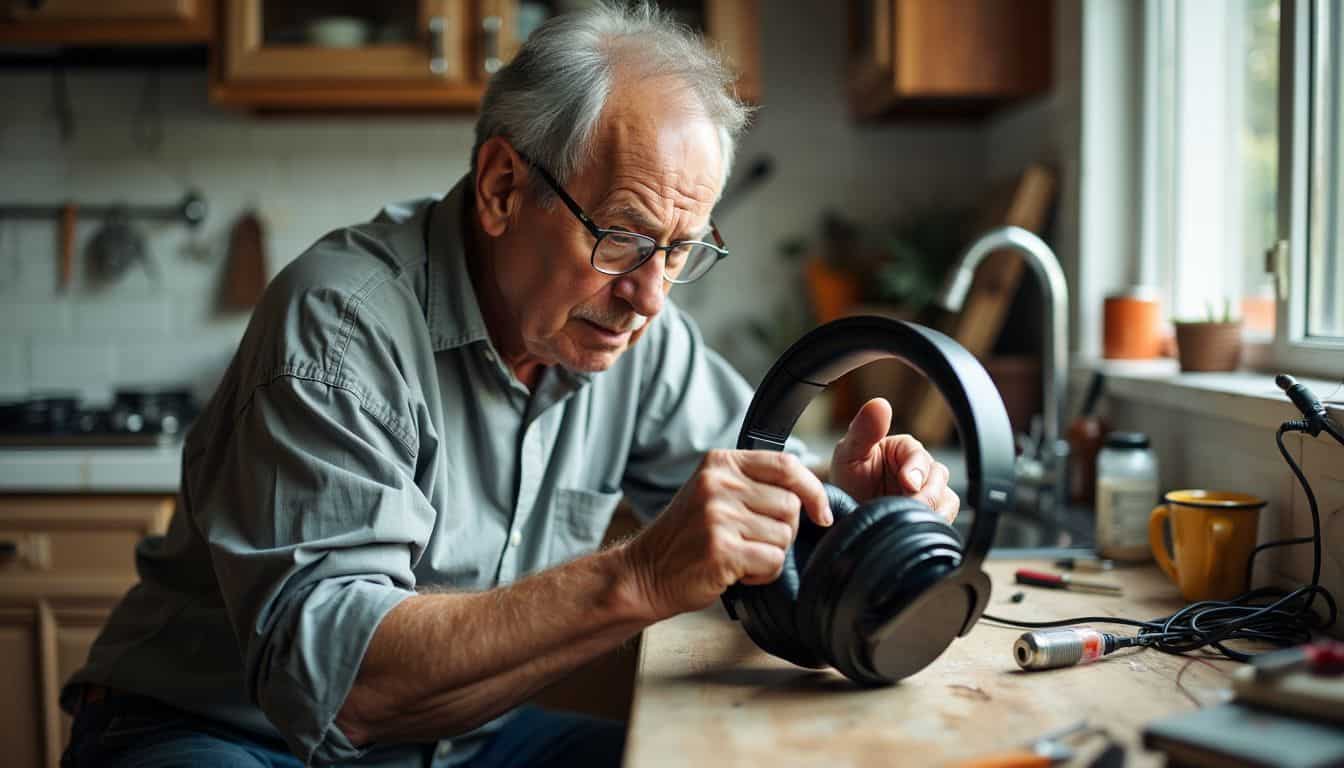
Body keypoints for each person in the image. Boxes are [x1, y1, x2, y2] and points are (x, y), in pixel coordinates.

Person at [60, 3, 957, 767]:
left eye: (681, 252)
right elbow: (342, 694)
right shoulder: (338, 328)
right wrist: (641, 573)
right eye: (623, 237)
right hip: (218, 733)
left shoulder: (636, 338)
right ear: (499, 188)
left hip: (458, 743)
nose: (649, 296)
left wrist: (850, 515)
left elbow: (758, 517)